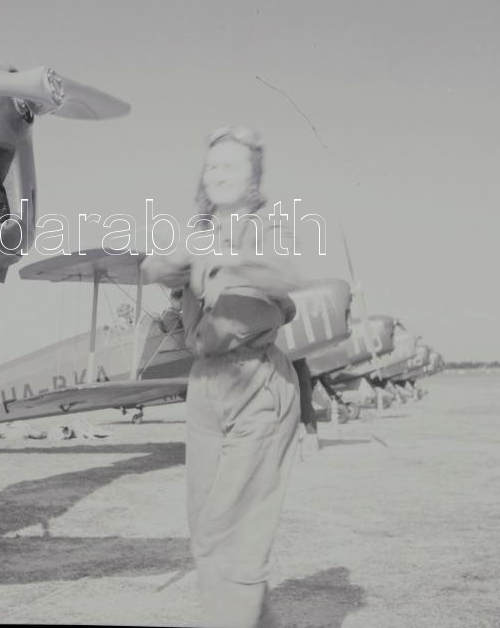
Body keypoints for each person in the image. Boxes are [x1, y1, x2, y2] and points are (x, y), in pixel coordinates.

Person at [142, 125, 303, 628]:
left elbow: (289, 273)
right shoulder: (198, 230)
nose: (218, 173)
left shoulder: (270, 226)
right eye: (212, 165)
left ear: (253, 177)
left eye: (231, 165)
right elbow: (153, 267)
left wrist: (228, 258)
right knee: (206, 531)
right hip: (205, 384)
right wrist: (172, 262)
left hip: (256, 382)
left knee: (232, 535)